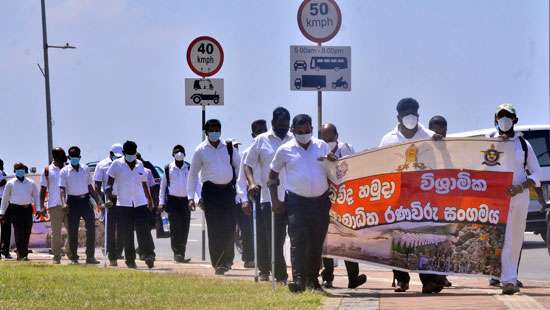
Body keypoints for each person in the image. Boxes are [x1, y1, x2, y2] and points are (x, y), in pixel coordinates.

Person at [379, 98, 445, 294]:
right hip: (397, 197)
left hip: (423, 198)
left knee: (423, 238)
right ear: (398, 116)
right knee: (398, 238)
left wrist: (441, 145)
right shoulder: (387, 140)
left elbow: (445, 164)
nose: (410, 115)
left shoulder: (431, 137)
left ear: (418, 115)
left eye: (413, 112)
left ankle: (428, 280)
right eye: (405, 112)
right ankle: (401, 279)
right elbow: (379, 166)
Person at [269, 114, 333, 292]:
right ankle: (298, 279)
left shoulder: (322, 146)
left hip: (321, 201)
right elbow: (272, 177)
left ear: (312, 130)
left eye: (307, 131)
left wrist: (333, 162)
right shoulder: (285, 150)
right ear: (293, 131)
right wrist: (275, 200)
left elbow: (332, 172)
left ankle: (313, 280)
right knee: (298, 240)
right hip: (296, 201)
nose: (304, 134)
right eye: (300, 131)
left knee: (316, 241)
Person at [490, 104, 541, 295]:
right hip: (495, 200)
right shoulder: (488, 144)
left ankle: (509, 280)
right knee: (497, 239)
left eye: (508, 116)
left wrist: (520, 187)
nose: (504, 120)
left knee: (514, 238)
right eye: (501, 117)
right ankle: (501, 276)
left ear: (515, 120)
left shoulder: (523, 145)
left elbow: (535, 173)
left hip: (519, 198)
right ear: (495, 121)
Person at [243, 107, 292, 283]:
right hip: (268, 198)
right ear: (272, 124)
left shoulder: (293, 140)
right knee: (275, 240)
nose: (283, 129)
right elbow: (247, 165)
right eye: (280, 125)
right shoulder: (261, 140)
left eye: (286, 125)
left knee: (296, 239)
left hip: (293, 197)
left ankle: (302, 275)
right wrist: (251, 183)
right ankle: (280, 276)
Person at [188, 119, 241, 275]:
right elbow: (192, 175)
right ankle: (218, 262)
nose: (215, 132)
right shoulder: (200, 150)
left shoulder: (229, 148)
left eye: (217, 129)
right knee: (215, 228)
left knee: (229, 226)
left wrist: (239, 191)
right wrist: (191, 197)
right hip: (210, 192)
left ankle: (228, 260)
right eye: (212, 129)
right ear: (206, 132)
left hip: (228, 191)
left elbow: (238, 168)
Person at [319, 123, 367, 289]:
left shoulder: (347, 148)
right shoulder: (317, 150)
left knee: (347, 239)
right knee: (327, 240)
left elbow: (356, 169)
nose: (327, 140)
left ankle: (353, 278)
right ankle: (327, 277)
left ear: (337, 135)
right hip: (324, 200)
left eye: (330, 136)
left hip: (346, 201)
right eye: (323, 137)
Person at [105, 141, 156, 269]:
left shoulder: (140, 164)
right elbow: (109, 182)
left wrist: (150, 199)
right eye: (129, 154)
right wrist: (108, 193)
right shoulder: (116, 164)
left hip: (140, 202)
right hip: (124, 204)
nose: (131, 156)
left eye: (133, 153)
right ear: (124, 153)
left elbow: (144, 183)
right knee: (127, 234)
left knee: (144, 230)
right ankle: (130, 260)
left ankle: (149, 255)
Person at [59, 146, 103, 265]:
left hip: (85, 201)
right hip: (72, 202)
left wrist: (98, 201)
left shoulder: (85, 169)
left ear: (80, 157)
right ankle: (74, 257)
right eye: (72, 157)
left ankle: (90, 256)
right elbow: (62, 189)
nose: (75, 159)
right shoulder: (64, 171)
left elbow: (90, 187)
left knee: (91, 229)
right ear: (69, 157)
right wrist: (63, 203)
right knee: (73, 231)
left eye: (77, 157)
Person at [236, 120, 268, 269]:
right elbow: (241, 180)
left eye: (264, 130)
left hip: (274, 192)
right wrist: (243, 200)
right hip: (255, 193)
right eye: (259, 131)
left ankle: (273, 262)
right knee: (258, 232)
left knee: (274, 231)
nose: (262, 134)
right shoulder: (247, 152)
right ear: (253, 134)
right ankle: (261, 266)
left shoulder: (273, 148)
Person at [428, 116, 453, 288]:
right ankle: (432, 277)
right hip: (428, 205)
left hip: (448, 203)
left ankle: (442, 275)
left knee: (446, 241)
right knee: (431, 242)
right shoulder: (424, 148)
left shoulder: (453, 149)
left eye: (443, 130)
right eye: (436, 130)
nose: (440, 133)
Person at [159, 145, 194, 263]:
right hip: (173, 201)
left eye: (181, 151)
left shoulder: (189, 167)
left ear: (185, 154)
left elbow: (196, 183)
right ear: (173, 154)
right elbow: (163, 187)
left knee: (184, 228)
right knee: (175, 228)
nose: (179, 153)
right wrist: (161, 202)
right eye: (176, 152)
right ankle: (177, 253)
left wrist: (195, 199)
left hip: (186, 201)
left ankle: (181, 253)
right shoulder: (168, 168)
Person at [0, 163, 42, 261]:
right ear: (14, 171)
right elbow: (5, 199)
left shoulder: (31, 183)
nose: (20, 171)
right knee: (19, 232)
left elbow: (36, 197)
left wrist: (38, 209)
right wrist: (2, 212)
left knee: (27, 231)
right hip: (15, 209)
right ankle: (20, 254)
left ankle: (25, 253)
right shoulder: (10, 183)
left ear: (25, 171)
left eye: (22, 169)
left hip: (27, 209)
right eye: (18, 169)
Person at [94, 143, 124, 265]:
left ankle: (118, 252)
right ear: (110, 154)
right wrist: (100, 202)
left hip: (123, 199)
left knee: (122, 228)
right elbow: (97, 185)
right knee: (110, 229)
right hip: (109, 199)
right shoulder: (102, 165)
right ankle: (112, 256)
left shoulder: (124, 164)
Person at [40, 147, 68, 264]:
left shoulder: (68, 168)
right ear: (55, 156)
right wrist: (41, 206)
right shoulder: (47, 170)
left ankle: (69, 252)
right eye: (61, 155)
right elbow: (42, 189)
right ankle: (57, 257)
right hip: (54, 204)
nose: (64, 156)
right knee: (56, 233)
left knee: (72, 230)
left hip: (69, 204)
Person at [0, 158, 13, 259]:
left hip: (5, 202)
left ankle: (6, 250)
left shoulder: (4, 173)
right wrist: (2, 182)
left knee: (6, 227)